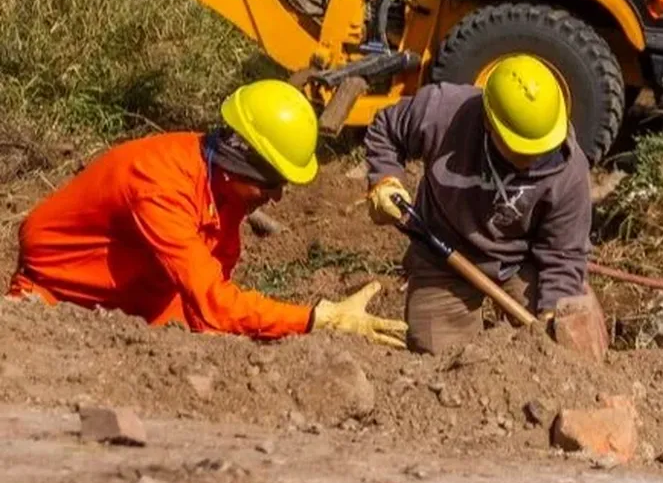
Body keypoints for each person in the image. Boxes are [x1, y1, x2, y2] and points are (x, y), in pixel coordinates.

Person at [7, 80, 406, 347]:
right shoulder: (160, 185)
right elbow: (214, 301)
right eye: (271, 184)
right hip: (55, 301)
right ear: (239, 165)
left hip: (138, 301)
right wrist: (317, 318)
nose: (278, 197)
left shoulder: (223, 188)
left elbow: (210, 298)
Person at [364, 54, 593, 354]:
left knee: (556, 345)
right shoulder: (443, 111)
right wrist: (384, 180)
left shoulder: (570, 170)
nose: (532, 160)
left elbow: (564, 255)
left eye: (540, 150)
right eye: (520, 150)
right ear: (489, 123)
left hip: (520, 263)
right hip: (442, 254)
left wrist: (552, 314)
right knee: (442, 359)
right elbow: (386, 128)